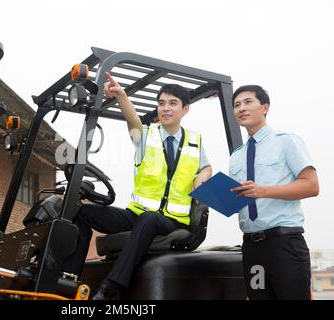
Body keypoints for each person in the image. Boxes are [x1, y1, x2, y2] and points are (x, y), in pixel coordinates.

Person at [62, 72, 212, 300]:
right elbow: (133, 121)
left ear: (185, 109)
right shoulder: (146, 136)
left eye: (173, 103)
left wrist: (203, 175)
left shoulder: (195, 141)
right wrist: (122, 96)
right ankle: (67, 281)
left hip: (173, 221)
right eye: (161, 103)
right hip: (138, 216)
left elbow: (206, 167)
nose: (166, 108)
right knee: (83, 213)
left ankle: (112, 287)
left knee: (149, 219)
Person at [229, 85, 319, 300]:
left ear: (265, 107)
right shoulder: (236, 155)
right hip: (251, 248)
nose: (241, 108)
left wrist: (263, 191)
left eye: (248, 102)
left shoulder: (286, 140)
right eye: (237, 105)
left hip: (284, 245)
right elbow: (241, 198)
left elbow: (312, 185)